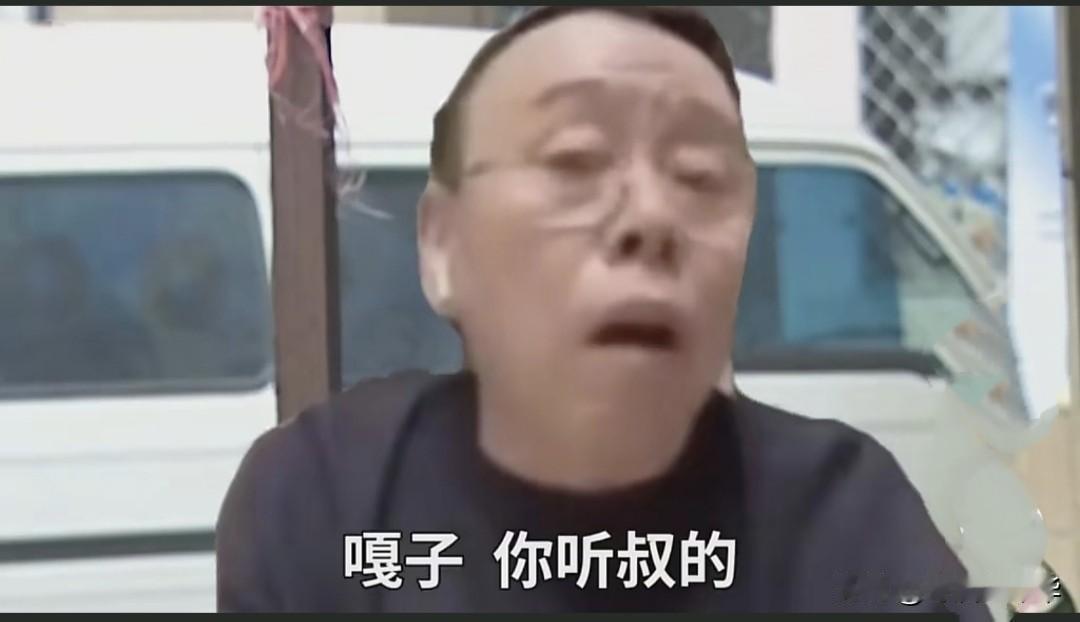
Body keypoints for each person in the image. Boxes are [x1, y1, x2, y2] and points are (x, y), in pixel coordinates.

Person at [216, 7, 992, 618]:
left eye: (698, 174)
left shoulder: (843, 515)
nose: (651, 216)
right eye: (575, 161)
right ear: (442, 244)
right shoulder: (328, 500)